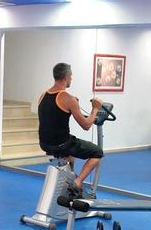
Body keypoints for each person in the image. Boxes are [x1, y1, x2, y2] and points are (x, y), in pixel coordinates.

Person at [37, 63, 104, 197]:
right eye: (71, 76)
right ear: (67, 76)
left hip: (45, 143)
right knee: (98, 152)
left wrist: (74, 105)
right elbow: (86, 126)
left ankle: (69, 180)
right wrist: (95, 108)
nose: (71, 79)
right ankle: (77, 182)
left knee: (70, 155)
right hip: (61, 144)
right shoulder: (68, 98)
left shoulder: (42, 95)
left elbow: (53, 115)